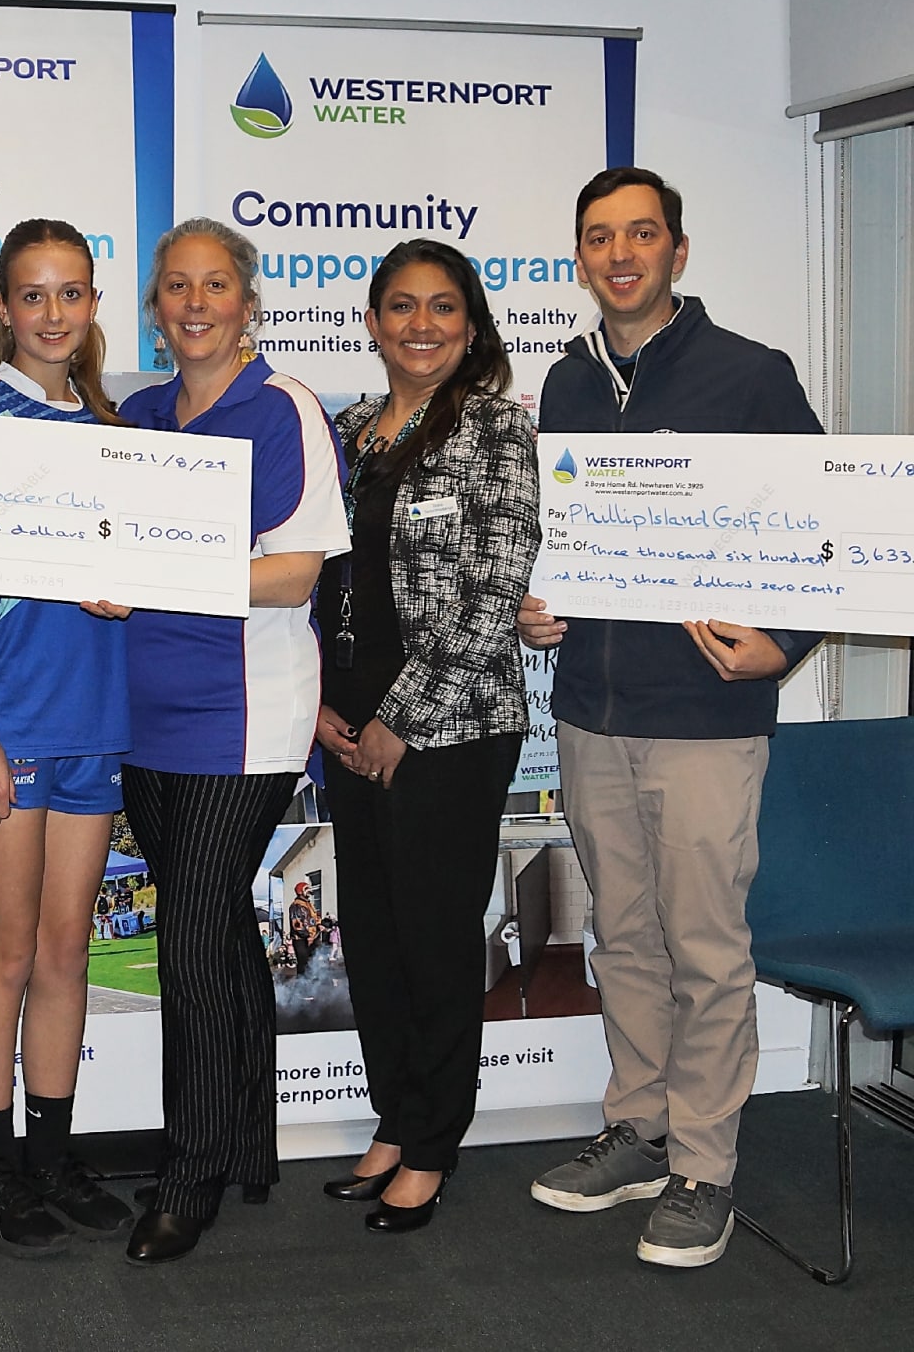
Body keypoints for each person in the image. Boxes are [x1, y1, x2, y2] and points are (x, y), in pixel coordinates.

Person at [518, 167, 824, 1268]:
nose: (620, 254)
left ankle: (704, 1166)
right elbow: (562, 538)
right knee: (625, 938)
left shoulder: (750, 374)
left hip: (704, 715)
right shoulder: (562, 383)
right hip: (591, 714)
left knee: (704, 946)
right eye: (599, 237)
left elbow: (826, 528)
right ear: (580, 258)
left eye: (641, 234)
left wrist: (784, 641)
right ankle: (639, 1130)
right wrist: (538, 604)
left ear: (676, 252)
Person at [117, 217, 349, 1264]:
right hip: (144, 716)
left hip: (243, 715)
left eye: (215, 285)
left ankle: (190, 1171)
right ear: (155, 307)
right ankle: (247, 1142)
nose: (195, 303)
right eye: (177, 286)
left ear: (247, 304)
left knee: (190, 939)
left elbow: (293, 576)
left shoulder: (283, 407)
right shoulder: (137, 416)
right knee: (210, 934)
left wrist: (155, 574)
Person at [312, 239, 539, 1233]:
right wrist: (320, 704)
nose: (420, 325)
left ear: (470, 324)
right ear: (371, 322)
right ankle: (394, 1119)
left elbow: (492, 591)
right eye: (400, 306)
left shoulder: (494, 427)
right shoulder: (346, 430)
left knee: (436, 939)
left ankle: (434, 1142)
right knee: (370, 934)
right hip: (345, 721)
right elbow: (313, 572)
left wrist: (398, 722)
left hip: (449, 727)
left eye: (442, 307)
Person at [0, 218, 134, 1255]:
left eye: (70, 293)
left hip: (95, 718)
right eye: (33, 294)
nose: (53, 313)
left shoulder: (112, 427)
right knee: (7, 950)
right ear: (4, 308)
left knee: (68, 947)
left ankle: (51, 1154)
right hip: (9, 721)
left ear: (93, 304)